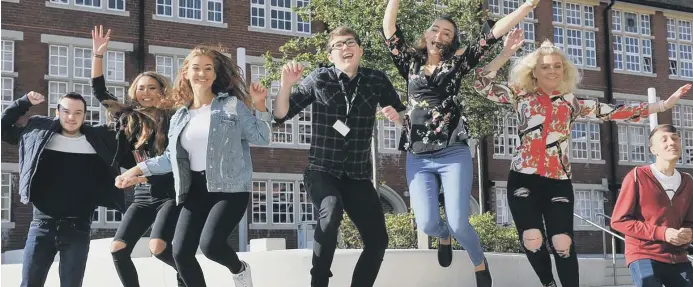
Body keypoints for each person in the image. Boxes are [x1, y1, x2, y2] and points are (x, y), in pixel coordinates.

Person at [474, 30, 691, 286]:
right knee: (532, 239)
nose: (552, 71)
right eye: (545, 67)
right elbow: (481, 83)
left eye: (557, 66)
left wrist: (662, 106)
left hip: (558, 179)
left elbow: (614, 111)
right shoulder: (520, 95)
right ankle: (548, 283)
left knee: (562, 243)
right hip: (523, 177)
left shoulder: (571, 103)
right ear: (534, 71)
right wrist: (506, 52)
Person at [381, 0, 538, 285]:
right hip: (418, 154)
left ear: (452, 42)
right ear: (427, 35)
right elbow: (389, 28)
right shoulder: (409, 62)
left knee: (460, 222)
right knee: (428, 223)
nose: (439, 35)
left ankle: (479, 262)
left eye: (447, 33)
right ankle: (443, 236)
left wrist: (526, 7)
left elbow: (491, 34)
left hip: (453, 151)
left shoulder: (457, 63)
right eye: (435, 30)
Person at [115, 45, 272, 287]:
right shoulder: (180, 116)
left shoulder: (231, 105)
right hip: (195, 189)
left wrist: (260, 106)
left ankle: (239, 270)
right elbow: (169, 158)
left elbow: (262, 138)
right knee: (180, 253)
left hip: (230, 188)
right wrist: (134, 170)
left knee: (211, 246)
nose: (202, 73)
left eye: (208, 68)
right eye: (196, 68)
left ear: (215, 74)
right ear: (186, 73)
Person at [273, 26, 407, 287]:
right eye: (338, 45)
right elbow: (281, 115)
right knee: (331, 210)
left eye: (350, 43)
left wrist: (397, 118)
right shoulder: (319, 79)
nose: (345, 48)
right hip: (322, 170)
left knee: (378, 240)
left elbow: (403, 118)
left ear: (360, 50)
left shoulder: (376, 80)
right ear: (331, 54)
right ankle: (319, 281)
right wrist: (286, 85)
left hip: (357, 175)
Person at [1, 91, 130, 287]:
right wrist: (23, 102)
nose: (72, 117)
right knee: (29, 283)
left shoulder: (99, 139)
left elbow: (131, 135)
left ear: (85, 115)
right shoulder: (38, 133)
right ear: (57, 112)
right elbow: (3, 128)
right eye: (66, 111)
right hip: (42, 226)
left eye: (78, 113)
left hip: (78, 229)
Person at [89, 25, 185, 287]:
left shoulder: (175, 117)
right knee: (118, 248)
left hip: (169, 194)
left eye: (152, 87)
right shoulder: (128, 118)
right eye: (141, 87)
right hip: (142, 197)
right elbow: (100, 92)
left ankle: (188, 278)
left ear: (161, 91)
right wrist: (98, 56)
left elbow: (175, 160)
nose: (146, 92)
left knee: (158, 247)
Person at [611, 124, 693, 287]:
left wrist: (688, 233)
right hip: (643, 254)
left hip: (677, 255)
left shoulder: (688, 181)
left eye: (675, 138)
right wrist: (662, 233)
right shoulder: (637, 176)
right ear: (653, 150)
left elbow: (690, 221)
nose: (671, 142)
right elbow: (618, 221)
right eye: (664, 140)